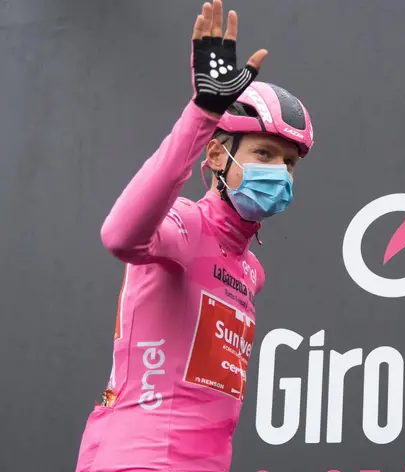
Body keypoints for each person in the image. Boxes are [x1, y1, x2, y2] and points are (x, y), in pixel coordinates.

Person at [74, 1, 313, 471]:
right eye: (264, 153)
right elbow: (120, 235)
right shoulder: (183, 225)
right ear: (218, 156)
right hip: (136, 460)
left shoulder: (251, 270)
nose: (279, 172)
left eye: (288, 163)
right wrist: (204, 111)